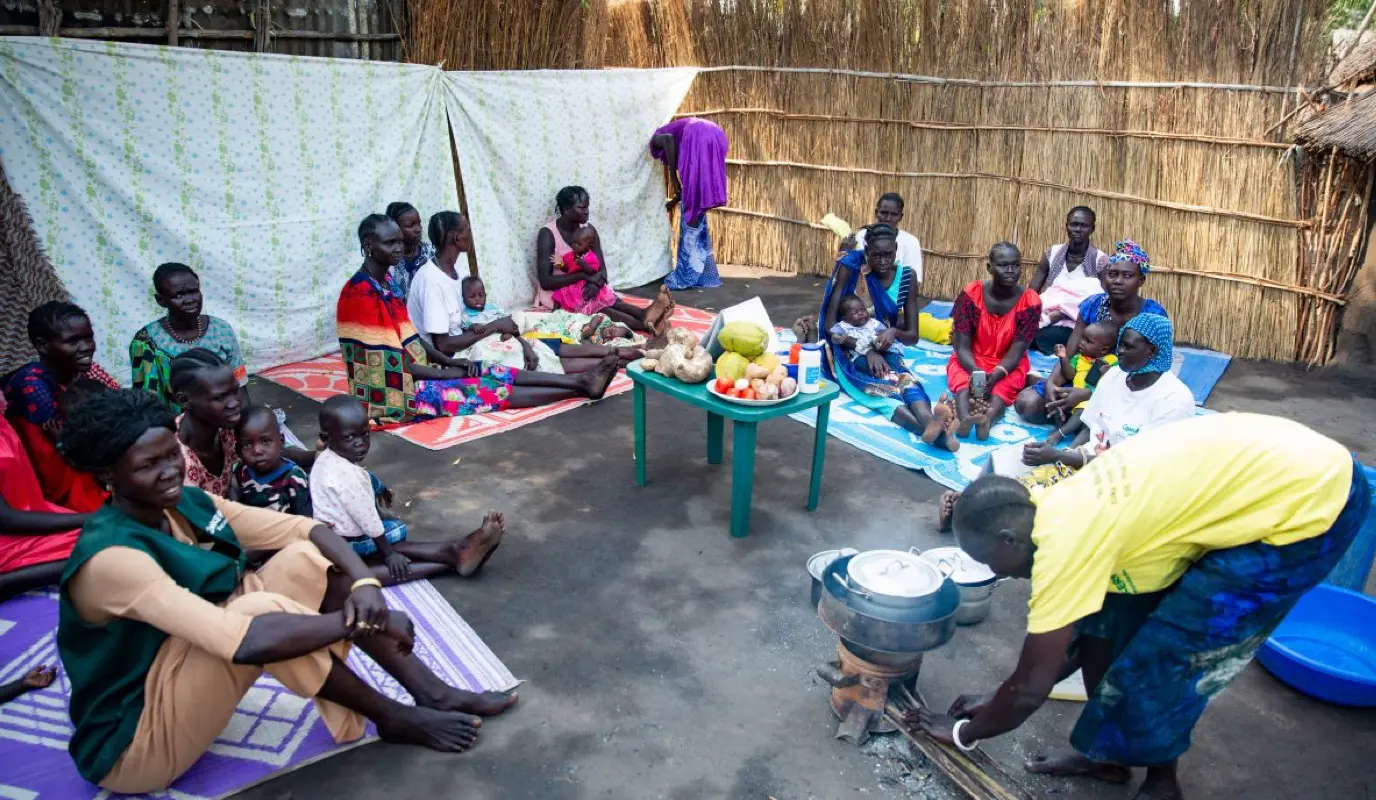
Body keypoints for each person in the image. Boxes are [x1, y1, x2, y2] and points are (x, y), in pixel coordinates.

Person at [55, 389, 517, 794]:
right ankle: (392, 717)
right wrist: (359, 620)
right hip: (137, 740)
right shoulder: (112, 559)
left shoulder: (181, 503)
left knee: (306, 558)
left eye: (170, 455)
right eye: (148, 465)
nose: (170, 472)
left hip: (176, 667)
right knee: (257, 611)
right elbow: (241, 641)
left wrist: (364, 581)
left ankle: (431, 692)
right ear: (107, 476)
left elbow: (303, 528)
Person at [908, 413, 1369, 800]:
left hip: (1310, 503)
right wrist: (998, 697)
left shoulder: (1065, 543)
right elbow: (1071, 643)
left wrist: (965, 733)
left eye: (992, 562)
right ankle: (1109, 759)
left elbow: (1031, 688)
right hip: (1264, 473)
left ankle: (1162, 787)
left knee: (1170, 654)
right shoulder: (1051, 503)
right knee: (1108, 616)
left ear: (1009, 538)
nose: (1002, 575)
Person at [340, 214, 620, 426]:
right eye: (390, 242)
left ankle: (582, 382)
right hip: (393, 396)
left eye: (399, 241)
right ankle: (579, 385)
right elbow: (389, 367)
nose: (399, 248)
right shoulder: (360, 295)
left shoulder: (385, 282)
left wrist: (452, 363)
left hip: (416, 371)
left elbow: (410, 339)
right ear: (368, 245)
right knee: (484, 388)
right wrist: (444, 372)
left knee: (485, 368)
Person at [938, 314, 1193, 533]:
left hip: (1126, 486)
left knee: (1042, 501)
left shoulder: (1174, 400)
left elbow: (1136, 469)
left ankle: (976, 518)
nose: (1120, 353)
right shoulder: (1115, 376)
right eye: (1120, 346)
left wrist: (1062, 457)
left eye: (1128, 347)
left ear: (1152, 352)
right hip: (1086, 462)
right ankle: (967, 506)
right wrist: (1059, 451)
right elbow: (1092, 429)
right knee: (1006, 461)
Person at [311, 395, 502, 585]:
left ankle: (457, 551)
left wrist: (378, 489)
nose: (360, 443)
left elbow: (363, 481)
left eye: (365, 434)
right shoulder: (347, 476)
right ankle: (454, 556)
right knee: (396, 530)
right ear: (326, 438)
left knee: (388, 534)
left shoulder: (325, 460)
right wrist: (389, 554)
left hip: (329, 536)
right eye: (350, 437)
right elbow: (368, 519)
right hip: (344, 543)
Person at [819, 224, 956, 450]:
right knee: (883, 395)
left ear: (896, 250)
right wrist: (868, 350)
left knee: (906, 381)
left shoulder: (906, 277)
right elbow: (830, 325)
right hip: (850, 354)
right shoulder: (851, 269)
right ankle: (939, 434)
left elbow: (912, 336)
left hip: (888, 350)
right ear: (866, 252)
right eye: (876, 255)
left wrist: (893, 331)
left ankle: (933, 424)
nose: (883, 261)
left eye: (888, 255)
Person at [1015, 239, 1165, 425]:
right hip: (1082, 378)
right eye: (1112, 274)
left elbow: (1159, 367)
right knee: (1026, 404)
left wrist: (1090, 393)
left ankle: (1082, 418)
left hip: (1131, 389)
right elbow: (1070, 353)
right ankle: (1079, 417)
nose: (1118, 281)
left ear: (1141, 280)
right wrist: (1052, 384)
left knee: (1128, 421)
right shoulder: (1093, 305)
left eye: (1127, 276)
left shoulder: (1153, 314)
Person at [4, 301, 119, 512]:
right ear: (42, 345)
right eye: (72, 341)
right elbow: (50, 457)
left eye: (88, 337)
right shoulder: (31, 385)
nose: (85, 347)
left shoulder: (87, 371)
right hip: (62, 484)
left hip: (94, 470)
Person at [533, 186, 672, 333]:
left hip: (584, 284)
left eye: (587, 207)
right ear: (567, 210)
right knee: (600, 307)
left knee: (609, 298)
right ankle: (643, 324)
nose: (587, 211)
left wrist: (595, 283)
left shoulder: (588, 231)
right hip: (559, 294)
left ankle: (643, 314)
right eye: (581, 208)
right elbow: (546, 282)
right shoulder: (548, 234)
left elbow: (602, 271)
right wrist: (584, 276)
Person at [947, 242, 1041, 440]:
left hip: (1007, 364)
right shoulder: (972, 294)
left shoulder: (1030, 301)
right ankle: (964, 419)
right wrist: (977, 373)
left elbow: (1017, 350)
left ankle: (987, 420)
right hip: (970, 359)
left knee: (1000, 393)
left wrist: (995, 376)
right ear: (989, 268)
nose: (1011, 271)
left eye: (1016, 265)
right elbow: (962, 345)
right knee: (963, 387)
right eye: (1003, 265)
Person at [129, 263, 247, 414]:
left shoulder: (221, 330)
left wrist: (244, 429)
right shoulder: (146, 343)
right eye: (178, 295)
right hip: (177, 429)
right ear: (161, 300)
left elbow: (240, 387)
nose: (190, 300)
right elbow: (147, 405)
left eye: (194, 291)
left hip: (226, 421)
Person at [838, 192, 950, 345]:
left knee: (928, 327)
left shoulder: (910, 243)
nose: (888, 218)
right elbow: (848, 278)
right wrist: (843, 255)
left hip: (897, 309)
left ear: (901, 216)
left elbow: (911, 286)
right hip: (860, 310)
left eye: (893, 214)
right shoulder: (861, 236)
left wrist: (893, 315)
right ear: (876, 212)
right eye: (884, 213)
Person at [0, 415, 90, 601]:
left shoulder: (3, 425)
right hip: (9, 539)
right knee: (105, 541)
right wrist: (92, 518)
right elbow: (6, 520)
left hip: (28, 517)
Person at [650, 117, 728, 290]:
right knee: (698, 198)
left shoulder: (656, 137)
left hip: (697, 135)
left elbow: (668, 141)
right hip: (716, 134)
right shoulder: (681, 132)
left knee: (692, 207)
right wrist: (677, 198)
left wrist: (673, 178)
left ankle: (686, 274)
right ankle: (701, 271)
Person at [1028, 207, 1110, 355]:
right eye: (1074, 224)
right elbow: (1032, 292)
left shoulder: (1099, 260)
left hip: (1077, 325)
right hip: (1046, 315)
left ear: (1092, 229)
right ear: (1066, 226)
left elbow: (1103, 301)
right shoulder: (1052, 254)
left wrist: (1064, 312)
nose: (1078, 229)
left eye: (1083, 225)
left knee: (1041, 336)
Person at [229, 405, 312, 517]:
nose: (257, 451)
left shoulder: (294, 478)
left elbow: (305, 521)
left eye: (266, 441)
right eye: (247, 445)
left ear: (281, 441)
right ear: (238, 451)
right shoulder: (242, 471)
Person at [1043, 321, 1118, 425]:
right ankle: (1060, 423)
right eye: (1082, 338)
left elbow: (1118, 378)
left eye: (1088, 341)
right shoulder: (1078, 358)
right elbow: (1070, 375)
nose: (1081, 342)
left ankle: (1060, 433)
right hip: (1073, 394)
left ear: (1104, 350)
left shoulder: (1111, 360)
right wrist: (1063, 358)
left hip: (1093, 398)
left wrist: (1109, 371)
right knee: (1057, 401)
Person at [829, 294, 909, 383]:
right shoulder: (843, 326)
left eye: (863, 309)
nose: (861, 313)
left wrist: (881, 336)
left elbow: (884, 332)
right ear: (845, 318)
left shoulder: (873, 323)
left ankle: (892, 372)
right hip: (860, 354)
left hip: (880, 349)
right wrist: (839, 338)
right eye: (855, 312)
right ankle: (880, 375)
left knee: (893, 356)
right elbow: (833, 335)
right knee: (860, 363)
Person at [552, 225, 618, 315]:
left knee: (584, 300)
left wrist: (584, 264)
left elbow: (593, 271)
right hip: (572, 283)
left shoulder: (591, 257)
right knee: (558, 294)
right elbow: (567, 269)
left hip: (584, 284)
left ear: (589, 246)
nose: (575, 246)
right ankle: (554, 311)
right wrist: (561, 264)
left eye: (579, 244)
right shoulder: (570, 255)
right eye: (573, 243)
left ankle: (580, 311)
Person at [385, 202, 435, 301]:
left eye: (419, 223)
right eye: (410, 225)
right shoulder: (388, 262)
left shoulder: (432, 253)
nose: (418, 229)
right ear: (394, 228)